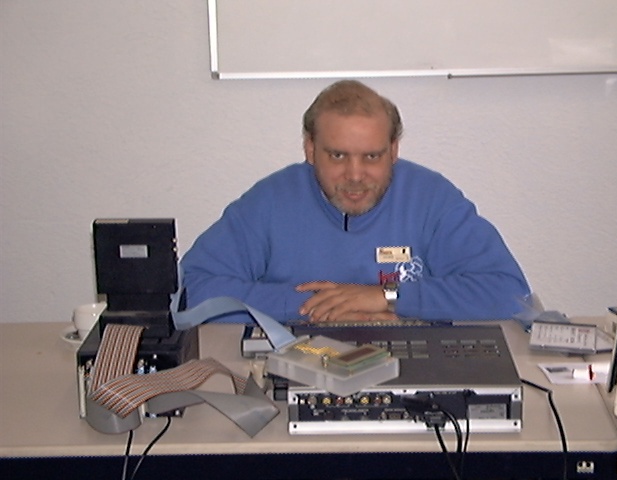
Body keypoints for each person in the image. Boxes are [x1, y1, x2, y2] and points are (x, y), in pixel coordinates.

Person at [181, 80, 530, 324]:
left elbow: (509, 293)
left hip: (408, 365)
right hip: (297, 359)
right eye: (337, 155)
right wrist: (315, 306)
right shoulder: (270, 201)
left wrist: (387, 297)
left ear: (393, 150)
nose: (355, 175)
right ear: (310, 149)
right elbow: (192, 289)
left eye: (372, 156)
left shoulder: (431, 198)